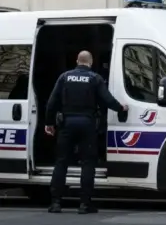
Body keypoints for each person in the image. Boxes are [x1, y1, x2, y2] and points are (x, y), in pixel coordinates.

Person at [45, 50, 128, 214]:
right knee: (88, 163)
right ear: (90, 62)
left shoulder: (64, 77)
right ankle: (84, 204)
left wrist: (49, 123)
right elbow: (107, 99)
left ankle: (56, 203)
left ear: (77, 61)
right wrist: (121, 108)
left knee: (61, 162)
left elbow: (52, 102)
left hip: (67, 123)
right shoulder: (95, 78)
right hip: (87, 124)